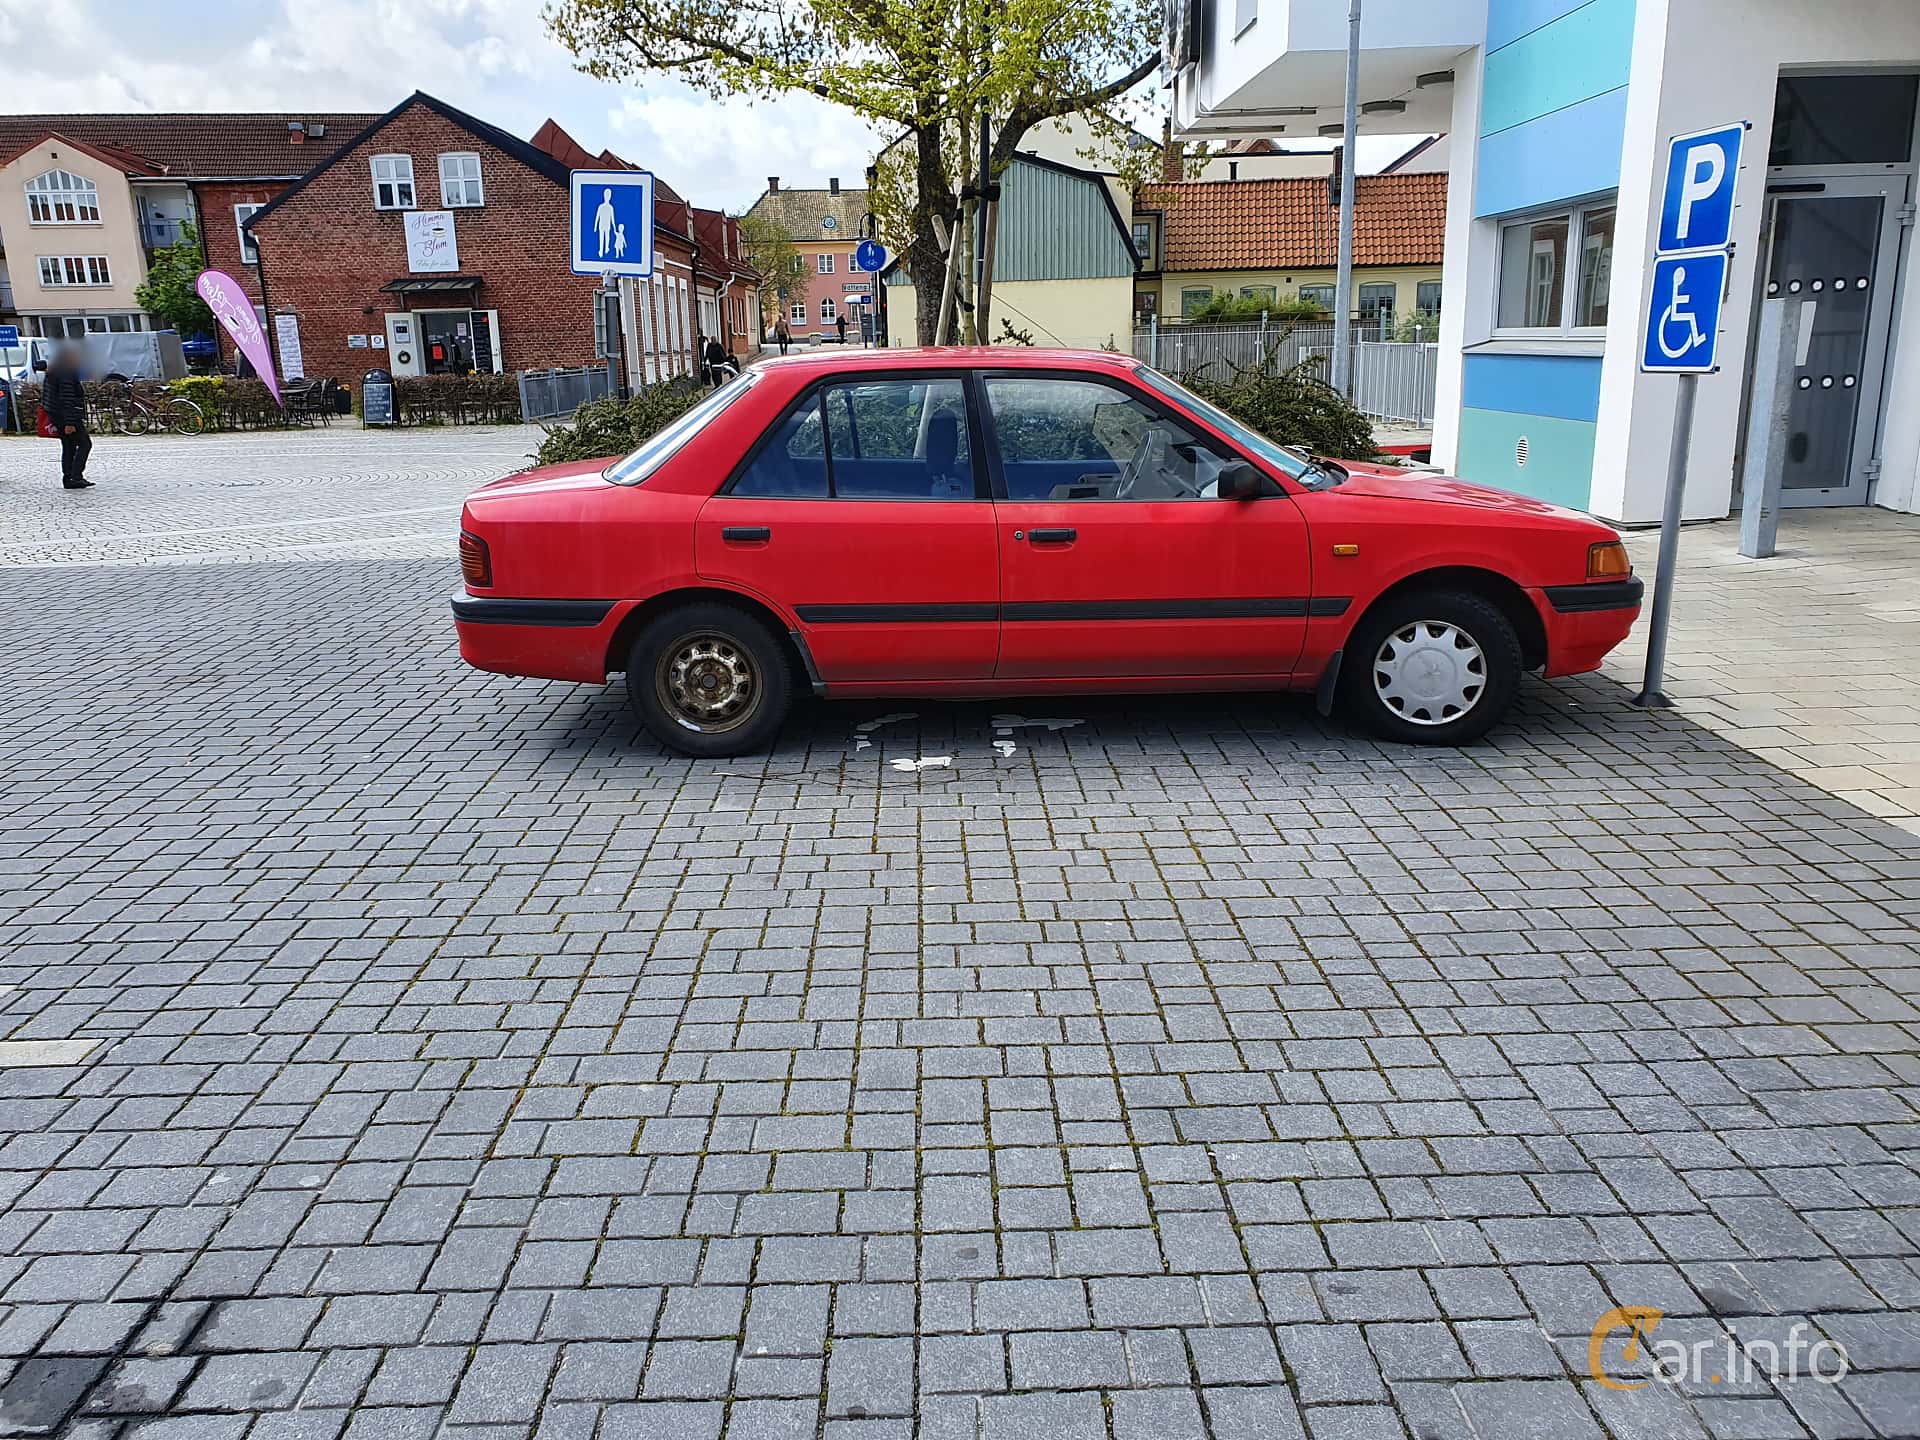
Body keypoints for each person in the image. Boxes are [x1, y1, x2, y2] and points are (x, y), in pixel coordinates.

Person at [41, 343, 91, 490]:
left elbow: (47, 397)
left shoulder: (54, 371)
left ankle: (68, 477)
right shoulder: (66, 373)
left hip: (56, 415)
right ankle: (75, 476)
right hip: (66, 417)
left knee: (68, 446)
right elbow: (67, 398)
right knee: (84, 444)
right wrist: (70, 422)